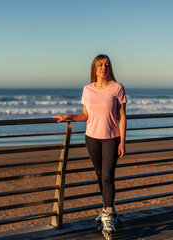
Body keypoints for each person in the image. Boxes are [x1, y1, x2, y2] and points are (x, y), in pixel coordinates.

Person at [53, 54, 127, 232]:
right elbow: (85, 115)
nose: (104, 68)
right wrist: (68, 117)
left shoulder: (117, 88)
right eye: (100, 65)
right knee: (101, 175)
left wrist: (122, 142)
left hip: (111, 138)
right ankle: (109, 209)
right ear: (94, 68)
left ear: (110, 69)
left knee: (108, 175)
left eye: (107, 65)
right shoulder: (87, 89)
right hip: (92, 138)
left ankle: (108, 215)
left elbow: (122, 117)